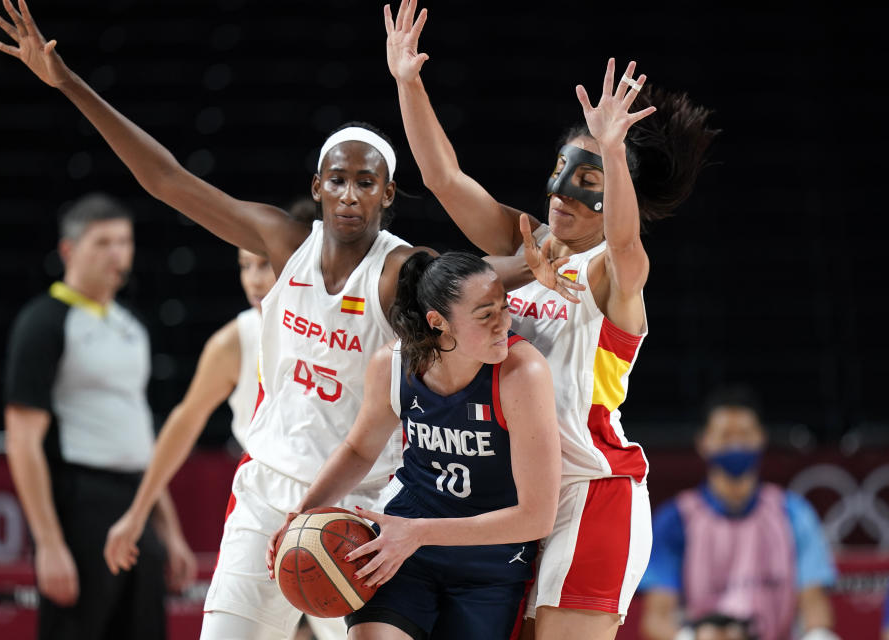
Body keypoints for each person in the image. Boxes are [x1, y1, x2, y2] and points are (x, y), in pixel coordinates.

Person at [0, 3, 437, 637]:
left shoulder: (401, 270)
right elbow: (168, 180)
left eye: (365, 182)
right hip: (267, 490)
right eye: (337, 179)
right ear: (317, 185)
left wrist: (550, 261)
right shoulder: (287, 249)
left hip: (364, 500)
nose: (348, 193)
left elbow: (481, 277)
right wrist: (68, 82)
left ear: (387, 194)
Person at [384, 3, 719, 638]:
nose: (564, 189)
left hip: (593, 490)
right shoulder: (526, 243)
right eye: (562, 169)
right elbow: (444, 178)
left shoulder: (611, 275)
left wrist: (614, 150)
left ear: (617, 192)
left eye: (587, 177)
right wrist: (408, 81)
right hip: (511, 494)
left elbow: (625, 244)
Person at [267, 251, 561, 639]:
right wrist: (301, 514)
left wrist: (420, 532)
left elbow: (536, 517)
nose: (503, 323)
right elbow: (359, 449)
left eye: (503, 308)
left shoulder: (522, 373)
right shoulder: (394, 364)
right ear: (438, 322)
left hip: (490, 559)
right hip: (401, 549)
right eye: (485, 314)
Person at [102, 200, 338, 640]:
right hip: (267, 501)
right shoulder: (236, 339)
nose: (253, 278)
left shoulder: (353, 323)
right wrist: (137, 514)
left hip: (341, 501)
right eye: (245, 265)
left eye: (264, 264)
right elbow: (184, 423)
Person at [3, 192, 196, 640]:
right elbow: (22, 441)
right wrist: (49, 545)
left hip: (136, 502)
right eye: (103, 242)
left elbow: (139, 434)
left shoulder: (132, 326)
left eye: (124, 242)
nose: (118, 254)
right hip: (79, 501)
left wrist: (170, 530)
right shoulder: (43, 323)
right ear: (68, 250)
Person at [638, 385, 839, 640]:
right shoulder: (676, 519)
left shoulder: (794, 512)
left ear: (761, 438)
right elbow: (657, 617)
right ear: (704, 442)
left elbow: (813, 602)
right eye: (724, 435)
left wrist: (818, 634)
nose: (735, 444)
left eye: (744, 434)